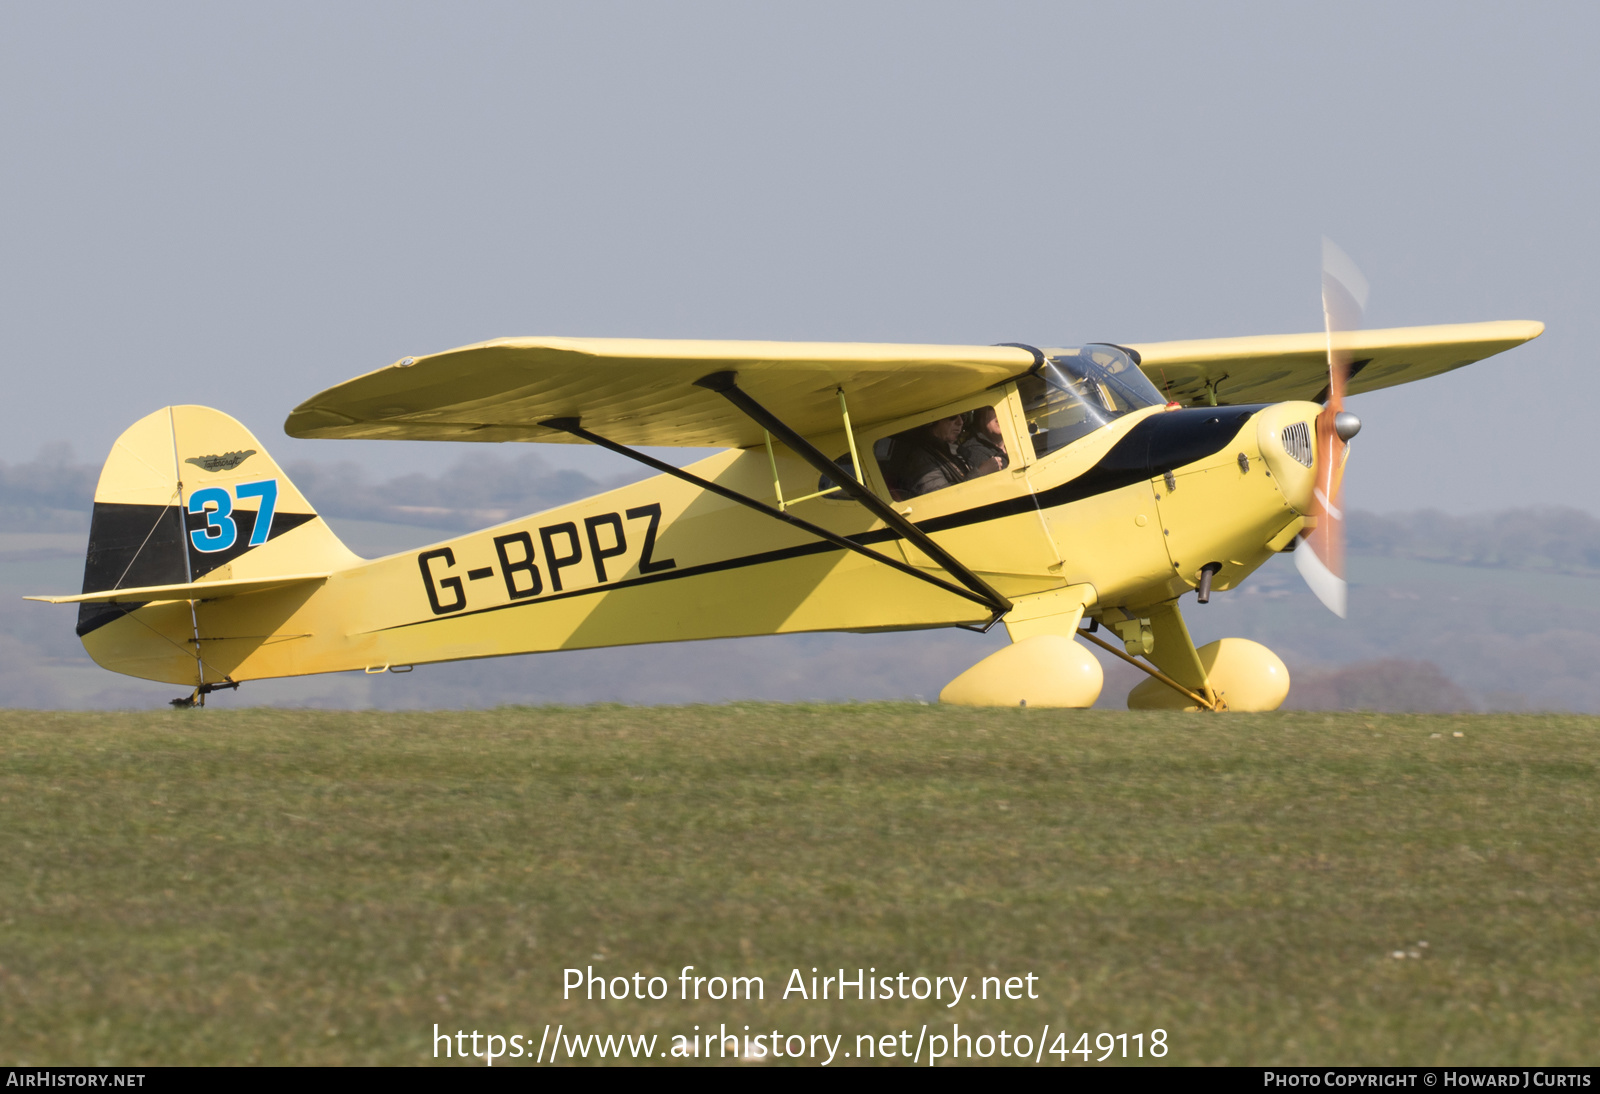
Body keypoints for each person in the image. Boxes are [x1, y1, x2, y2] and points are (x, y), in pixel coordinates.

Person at [895, 414, 971, 497]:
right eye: (952, 416)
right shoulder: (921, 458)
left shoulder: (948, 450)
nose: (960, 422)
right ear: (932, 421)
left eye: (963, 416)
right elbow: (943, 499)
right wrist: (980, 472)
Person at [958, 406, 1008, 479]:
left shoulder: (1017, 442)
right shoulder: (971, 450)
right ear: (980, 416)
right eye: (992, 408)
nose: (999, 412)